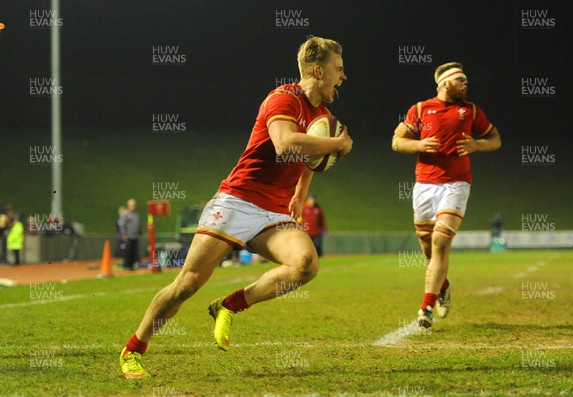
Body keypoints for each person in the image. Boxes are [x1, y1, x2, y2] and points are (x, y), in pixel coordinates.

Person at [119, 36, 352, 378]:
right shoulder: (283, 99)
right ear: (318, 70)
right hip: (238, 201)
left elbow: (309, 158)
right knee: (187, 284)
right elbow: (285, 142)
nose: (343, 76)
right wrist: (338, 143)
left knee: (305, 265)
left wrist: (301, 191)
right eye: (339, 69)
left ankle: (229, 305)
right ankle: (133, 349)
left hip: (274, 211)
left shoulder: (324, 115)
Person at [391, 62, 501, 329]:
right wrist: (418, 144)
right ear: (444, 84)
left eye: (466, 80)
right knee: (429, 249)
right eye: (460, 80)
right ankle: (443, 286)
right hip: (424, 186)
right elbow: (396, 141)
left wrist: (477, 144)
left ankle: (425, 307)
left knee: (441, 240)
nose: (466, 84)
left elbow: (495, 139)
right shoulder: (420, 109)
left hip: (457, 184)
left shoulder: (471, 110)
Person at [120, 199, 141, 271]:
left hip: (135, 236)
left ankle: (132, 265)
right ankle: (127, 265)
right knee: (128, 251)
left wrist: (139, 233)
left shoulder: (136, 214)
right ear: (128, 205)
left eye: (134, 205)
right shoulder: (125, 214)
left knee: (134, 251)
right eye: (132, 205)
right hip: (128, 236)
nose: (133, 206)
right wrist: (124, 234)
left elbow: (138, 225)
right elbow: (122, 225)